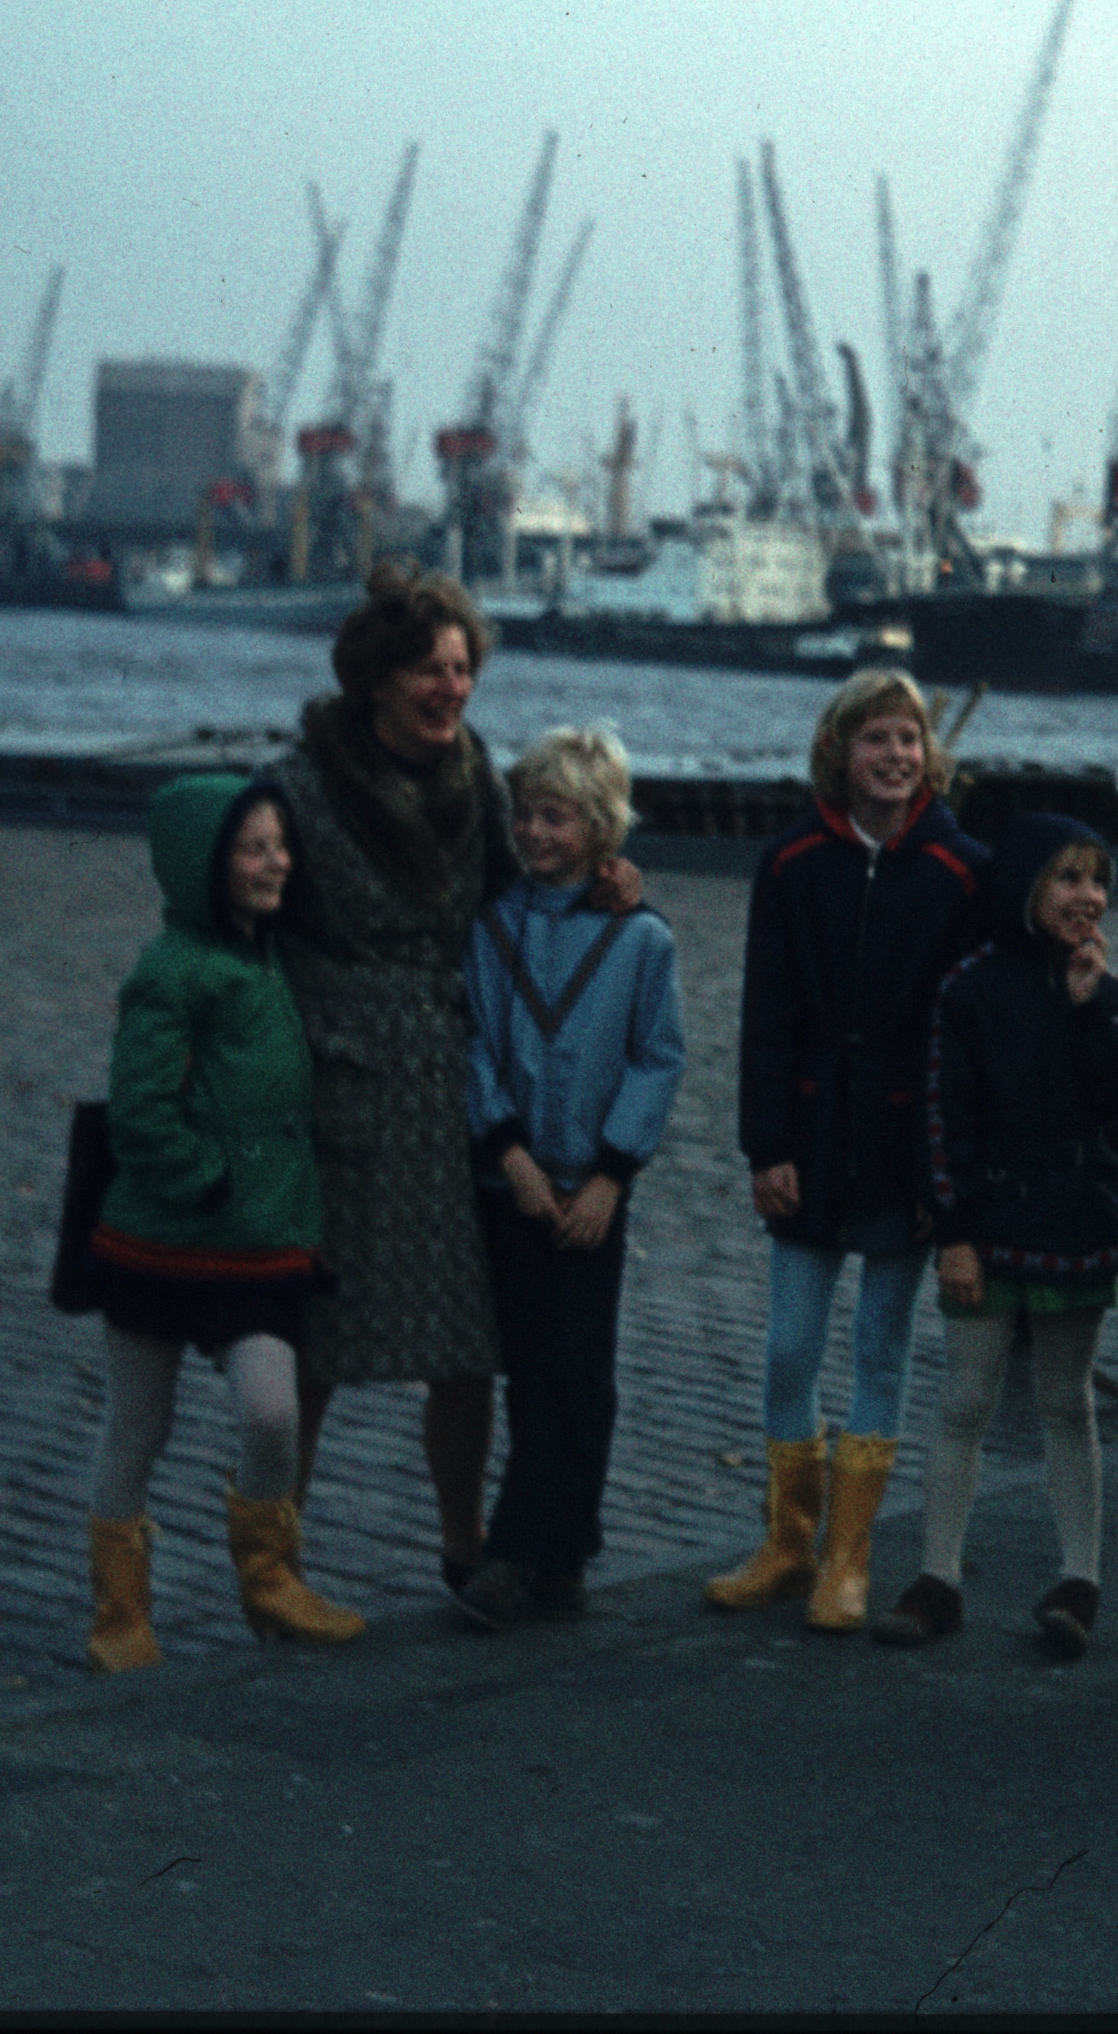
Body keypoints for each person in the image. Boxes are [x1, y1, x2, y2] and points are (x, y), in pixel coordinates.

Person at [266, 561, 638, 1600]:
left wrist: (604, 880)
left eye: (464, 667)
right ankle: (275, 1555)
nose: (453, 688)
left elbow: (526, 895)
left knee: (463, 1337)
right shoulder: (300, 786)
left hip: (456, 1091)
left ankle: (465, 1540)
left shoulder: (478, 782)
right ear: (376, 676)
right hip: (338, 1082)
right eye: (431, 668)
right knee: (318, 1335)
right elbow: (253, 924)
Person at [710, 669, 988, 1632]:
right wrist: (765, 1145)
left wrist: (946, 1174)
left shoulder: (960, 870)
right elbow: (767, 1013)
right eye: (877, 738)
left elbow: (970, 1026)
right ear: (839, 749)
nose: (895, 756)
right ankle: (787, 1541)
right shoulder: (792, 862)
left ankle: (848, 1557)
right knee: (790, 1348)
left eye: (908, 738)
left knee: (880, 1346)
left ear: (928, 753)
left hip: (906, 1146)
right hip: (811, 1140)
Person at [80, 774, 368, 1671]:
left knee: (272, 1413)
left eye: (281, 845)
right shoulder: (169, 973)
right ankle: (120, 1614)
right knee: (137, 1426)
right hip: (160, 1244)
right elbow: (139, 1112)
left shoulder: (272, 952)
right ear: (204, 863)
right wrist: (206, 1182)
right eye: (253, 848)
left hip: (260, 1246)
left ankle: (269, 1577)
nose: (276, 863)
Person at [870, 813, 1118, 1658]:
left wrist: (1092, 1007)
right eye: (1068, 877)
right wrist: (953, 1231)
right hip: (990, 1224)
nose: (1087, 895)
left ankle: (1079, 1579)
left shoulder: (1098, 986)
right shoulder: (970, 988)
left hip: (1075, 1220)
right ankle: (938, 1577)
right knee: (966, 1400)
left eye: (1097, 879)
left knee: (1068, 1402)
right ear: (1026, 887)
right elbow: (941, 1117)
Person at [451, 728, 686, 1631]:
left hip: (592, 1192)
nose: (535, 833)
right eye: (526, 814)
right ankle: (549, 1552)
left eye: (556, 817)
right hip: (511, 1185)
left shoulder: (642, 939)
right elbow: (473, 1043)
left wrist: (612, 1177)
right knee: (529, 1369)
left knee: (580, 1372)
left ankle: (535, 1553)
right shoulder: (491, 926)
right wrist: (507, 1155)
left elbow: (657, 1059)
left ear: (598, 828)